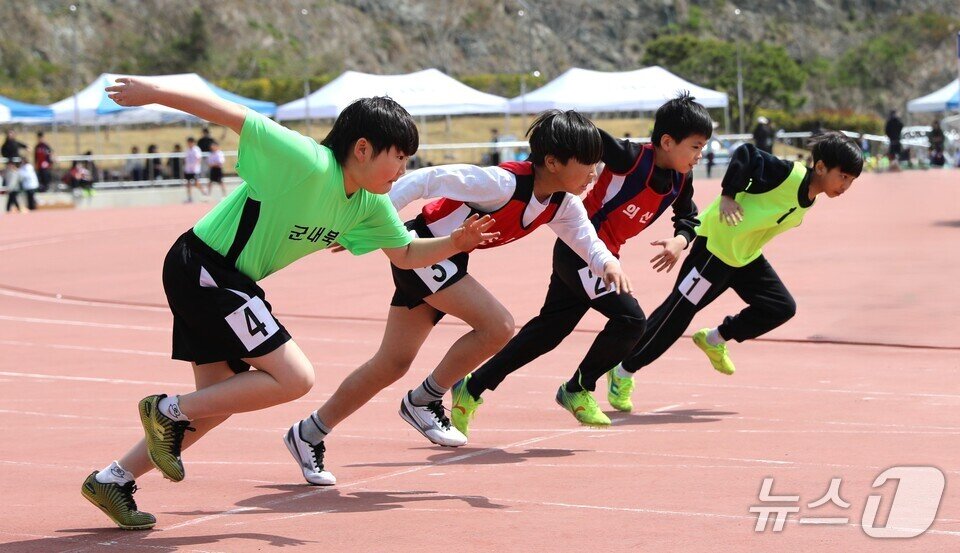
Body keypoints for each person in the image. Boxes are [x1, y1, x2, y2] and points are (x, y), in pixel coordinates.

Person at [81, 76, 497, 530]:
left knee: (217, 403)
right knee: (295, 377)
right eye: (398, 157)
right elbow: (228, 113)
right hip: (203, 266)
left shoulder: (369, 206)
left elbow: (405, 253)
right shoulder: (305, 161)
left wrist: (456, 242)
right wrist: (156, 94)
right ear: (362, 148)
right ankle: (164, 409)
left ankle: (113, 479)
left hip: (225, 279)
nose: (402, 170)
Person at [284, 110, 632, 486]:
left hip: (447, 259)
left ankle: (308, 433)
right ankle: (424, 399)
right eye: (588, 164)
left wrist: (608, 264)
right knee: (497, 325)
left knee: (391, 363)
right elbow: (427, 178)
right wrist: (366, 220)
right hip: (421, 249)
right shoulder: (499, 183)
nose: (594, 172)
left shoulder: (563, 204)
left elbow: (586, 240)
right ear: (552, 162)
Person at [453, 93, 712, 432]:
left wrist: (680, 240)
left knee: (549, 331)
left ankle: (471, 387)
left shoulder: (682, 179)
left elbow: (689, 217)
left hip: (602, 259)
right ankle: (579, 388)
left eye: (703, 146)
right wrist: (555, 132)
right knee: (631, 320)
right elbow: (584, 135)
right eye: (695, 146)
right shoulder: (628, 157)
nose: (700, 154)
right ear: (666, 141)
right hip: (579, 252)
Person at [603, 133, 863, 409]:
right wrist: (728, 195)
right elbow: (747, 153)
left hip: (744, 258)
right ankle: (622, 371)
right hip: (715, 249)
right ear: (821, 167)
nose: (845, 185)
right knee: (675, 316)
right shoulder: (789, 174)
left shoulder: (810, 197)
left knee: (781, 306)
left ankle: (714, 338)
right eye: (843, 176)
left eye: (851, 180)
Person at [183, 137, 202, 202]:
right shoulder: (187, 150)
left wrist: (196, 166)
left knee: (196, 183)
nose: (189, 144)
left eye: (190, 142)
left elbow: (199, 158)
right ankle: (190, 197)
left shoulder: (196, 149)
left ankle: (204, 193)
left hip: (195, 170)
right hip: (188, 169)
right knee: (188, 184)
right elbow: (186, 159)